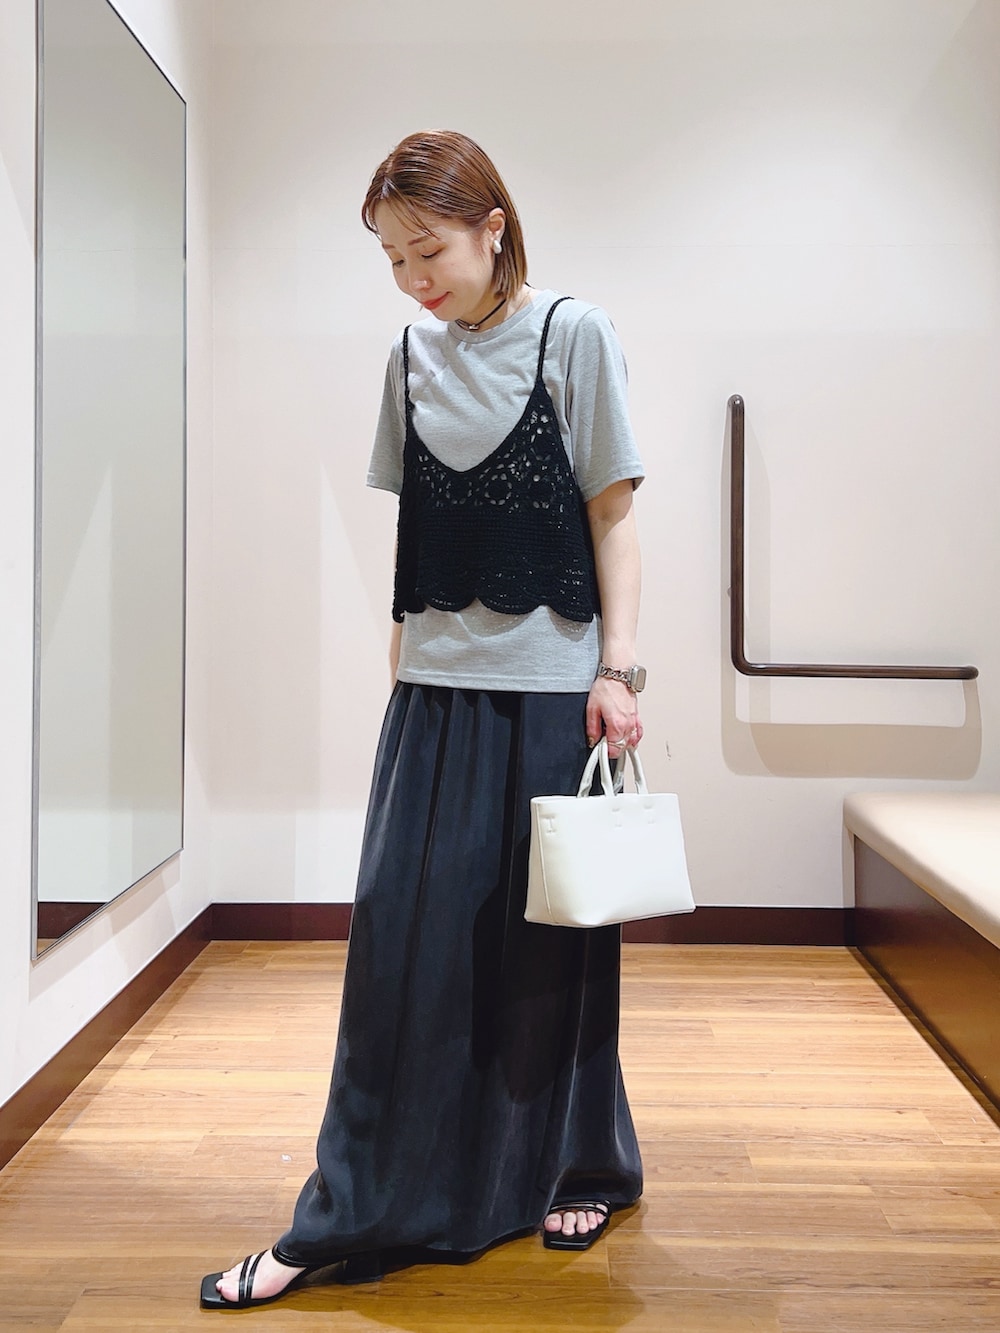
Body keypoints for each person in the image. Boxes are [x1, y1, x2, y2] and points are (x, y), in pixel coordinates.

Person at [201, 129, 646, 1311]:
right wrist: (403, 660)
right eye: (393, 260)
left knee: (548, 954)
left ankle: (577, 1167)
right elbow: (417, 529)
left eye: (428, 250)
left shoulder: (573, 335)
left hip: (551, 696)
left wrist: (620, 672)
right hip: (433, 698)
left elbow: (612, 516)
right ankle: (351, 1207)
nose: (412, 280)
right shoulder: (407, 356)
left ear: (492, 227)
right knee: (404, 953)